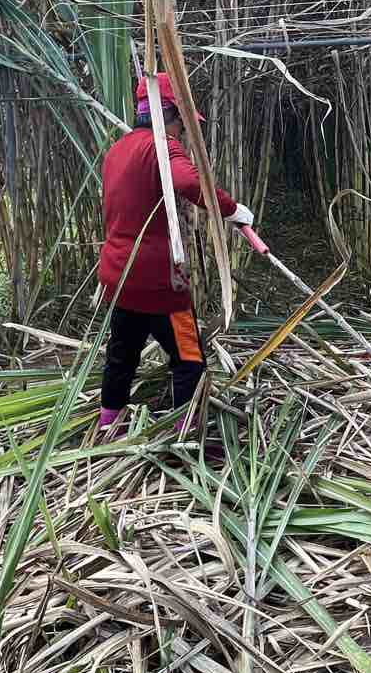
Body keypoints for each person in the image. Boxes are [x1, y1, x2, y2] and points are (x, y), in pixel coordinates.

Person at [97, 73, 254, 433]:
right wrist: (229, 209)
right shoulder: (161, 146)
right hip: (159, 284)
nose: (184, 131)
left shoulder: (116, 151)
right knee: (188, 358)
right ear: (170, 114)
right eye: (183, 122)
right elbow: (187, 182)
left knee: (122, 354)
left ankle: (110, 423)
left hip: (119, 277)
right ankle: (188, 432)